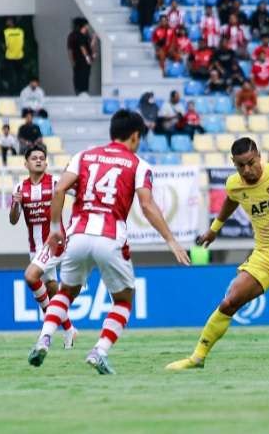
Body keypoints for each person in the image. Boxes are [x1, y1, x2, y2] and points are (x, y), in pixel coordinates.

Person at [29, 110, 190, 373]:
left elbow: (58, 189)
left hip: (77, 234)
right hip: (110, 237)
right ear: (136, 136)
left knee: (66, 292)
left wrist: (55, 228)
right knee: (124, 300)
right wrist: (171, 240)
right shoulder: (139, 164)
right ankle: (99, 351)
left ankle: (44, 338)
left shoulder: (84, 155)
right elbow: (147, 205)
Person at [167, 137, 269, 372]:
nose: (246, 170)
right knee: (229, 301)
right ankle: (197, 358)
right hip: (264, 255)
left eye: (250, 163)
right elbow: (230, 201)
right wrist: (213, 230)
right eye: (240, 165)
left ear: (258, 156)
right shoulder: (234, 184)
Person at [10, 145, 78, 345]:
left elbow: (79, 193)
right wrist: (15, 204)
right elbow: (13, 220)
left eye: (42, 158)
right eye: (34, 158)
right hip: (35, 247)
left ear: (46, 163)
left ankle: (48, 327)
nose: (38, 160)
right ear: (26, 164)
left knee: (31, 277)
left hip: (54, 244)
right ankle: (68, 329)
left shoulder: (56, 182)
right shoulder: (20, 188)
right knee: (51, 289)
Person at [67, 20, 95, 96]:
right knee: (84, 76)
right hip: (82, 60)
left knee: (78, 76)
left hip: (77, 61)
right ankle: (83, 92)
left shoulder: (72, 35)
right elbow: (82, 48)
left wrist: (72, 61)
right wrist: (88, 59)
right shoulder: (79, 35)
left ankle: (79, 92)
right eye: (86, 25)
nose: (88, 27)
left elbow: (70, 50)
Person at [2, 17, 26, 92]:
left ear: (12, 22)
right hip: (19, 56)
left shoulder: (6, 32)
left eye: (8, 21)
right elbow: (22, 42)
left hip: (10, 57)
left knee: (11, 75)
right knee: (19, 75)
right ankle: (19, 90)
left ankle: (12, 90)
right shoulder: (21, 31)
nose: (7, 22)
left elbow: (5, 44)